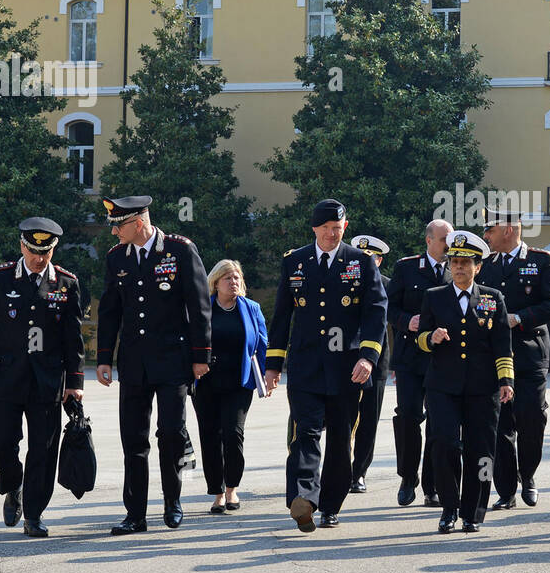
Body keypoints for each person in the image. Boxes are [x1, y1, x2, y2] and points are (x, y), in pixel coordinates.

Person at [266, 199, 388, 532]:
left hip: (347, 369)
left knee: (339, 441)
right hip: (306, 367)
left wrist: (368, 356)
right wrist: (273, 365)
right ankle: (303, 498)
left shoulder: (361, 262)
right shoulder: (296, 262)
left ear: (344, 227)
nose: (332, 235)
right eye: (326, 230)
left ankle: (331, 505)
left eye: (337, 229)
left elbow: (376, 312)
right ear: (314, 229)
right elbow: (282, 317)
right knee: (304, 434)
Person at [96, 195, 212, 535]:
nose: (115, 232)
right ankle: (135, 514)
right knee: (133, 439)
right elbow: (109, 310)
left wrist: (200, 356)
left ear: (138, 223)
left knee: (172, 433)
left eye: (119, 225)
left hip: (173, 359)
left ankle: (172, 501)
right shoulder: (117, 257)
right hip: (133, 362)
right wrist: (104, 357)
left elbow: (199, 304)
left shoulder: (179, 250)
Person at [0, 219, 84, 537]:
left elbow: (74, 339)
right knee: (2, 441)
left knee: (44, 448)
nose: (38, 258)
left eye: (44, 252)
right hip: (6, 377)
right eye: (32, 251)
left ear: (53, 249)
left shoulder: (66, 283)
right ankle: (13, 482)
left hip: (48, 382)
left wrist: (75, 382)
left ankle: (33, 513)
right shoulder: (1, 278)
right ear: (22, 246)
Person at [416, 230, 515, 533]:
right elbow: (419, 339)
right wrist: (430, 338)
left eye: (464, 262)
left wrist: (506, 380)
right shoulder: (434, 296)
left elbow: (502, 343)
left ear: (478, 266)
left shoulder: (492, 298)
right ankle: (449, 508)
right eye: (453, 261)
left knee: (480, 450)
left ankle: (472, 511)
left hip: (482, 388)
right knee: (444, 444)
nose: (458, 267)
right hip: (443, 387)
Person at [478, 207, 550, 509]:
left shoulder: (542, 261)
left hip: (529, 353)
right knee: (499, 424)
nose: (485, 235)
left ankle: (528, 475)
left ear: (509, 230)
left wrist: (519, 317)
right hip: (495, 356)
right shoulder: (485, 265)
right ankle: (506, 491)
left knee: (531, 419)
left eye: (490, 230)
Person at [386, 219, 451, 507]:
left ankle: (432, 485)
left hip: (443, 359)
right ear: (429, 240)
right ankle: (407, 476)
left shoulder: (458, 268)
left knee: (439, 422)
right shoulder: (407, 267)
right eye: (443, 239)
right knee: (409, 417)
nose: (449, 245)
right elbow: (388, 307)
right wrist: (405, 321)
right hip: (410, 357)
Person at [195, 259, 268, 514]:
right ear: (216, 282)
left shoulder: (251, 308)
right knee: (210, 436)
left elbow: (262, 344)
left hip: (239, 383)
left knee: (233, 433)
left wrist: (267, 375)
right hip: (206, 383)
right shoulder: (203, 308)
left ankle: (232, 489)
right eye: (228, 278)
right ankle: (217, 493)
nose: (234, 282)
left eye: (237, 278)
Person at [349, 235, 392, 494]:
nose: (366, 263)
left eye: (371, 258)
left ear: (379, 260)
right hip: (345, 357)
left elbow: (397, 324)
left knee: (368, 420)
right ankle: (340, 468)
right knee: (343, 417)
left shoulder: (388, 285)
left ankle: (359, 473)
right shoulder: (344, 281)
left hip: (376, 360)